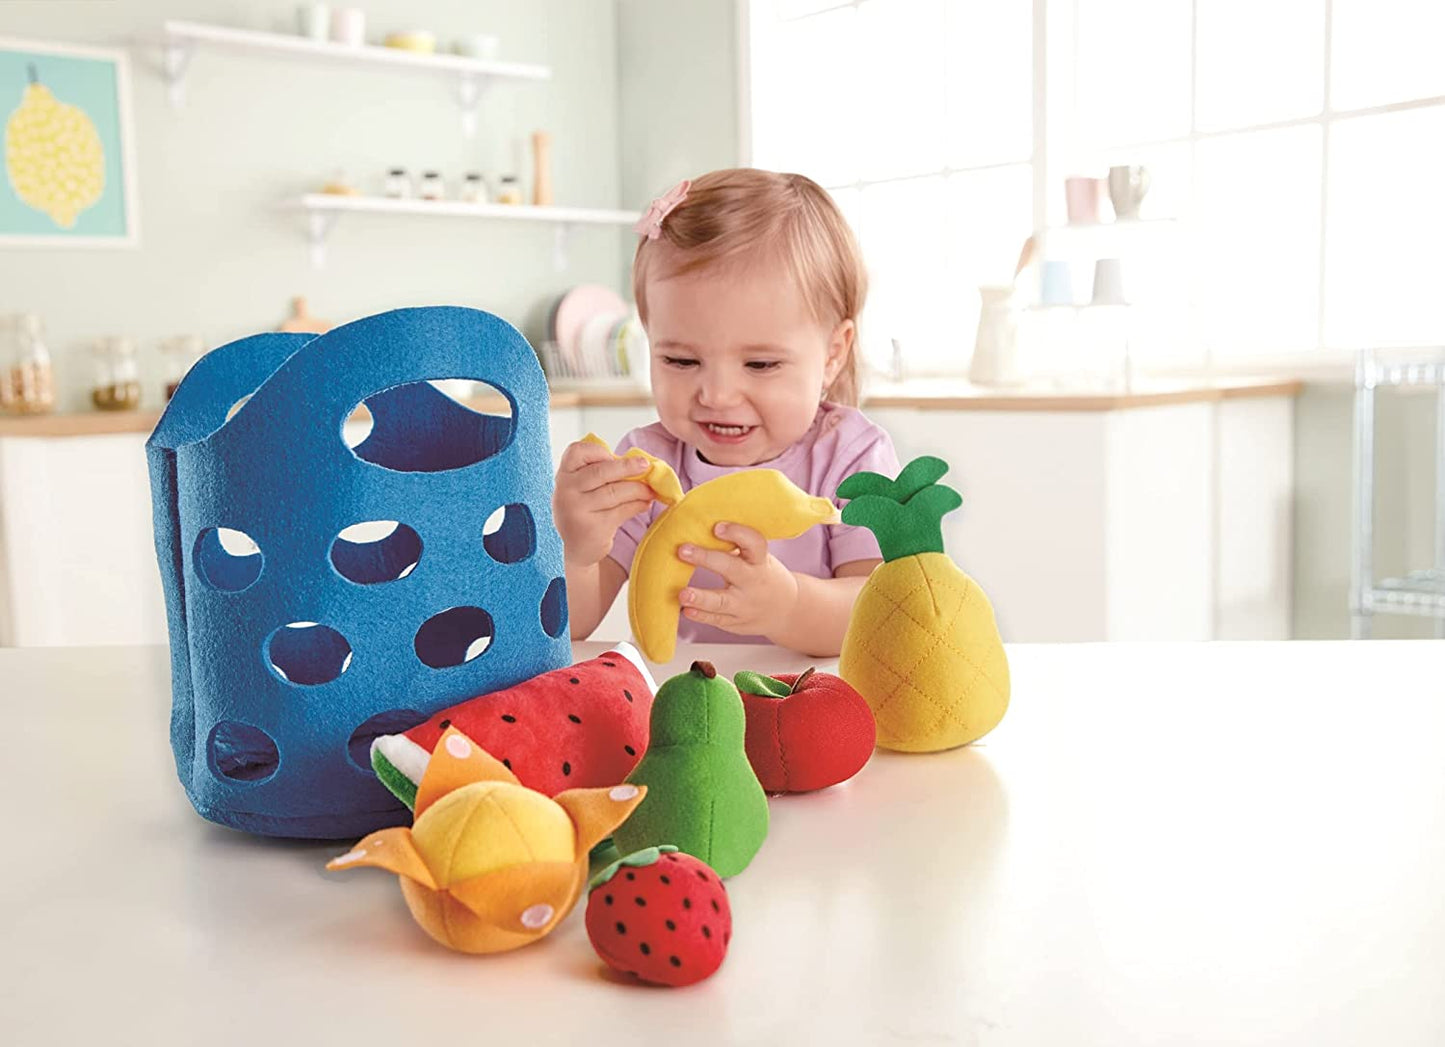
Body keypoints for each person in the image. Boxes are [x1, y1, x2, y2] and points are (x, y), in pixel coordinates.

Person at [552, 168, 899, 657]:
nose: (715, 394)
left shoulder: (851, 457)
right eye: (680, 360)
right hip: (684, 704)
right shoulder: (647, 462)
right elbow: (573, 626)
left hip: (816, 703)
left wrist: (790, 606)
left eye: (760, 364)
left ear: (833, 354)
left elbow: (883, 610)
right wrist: (577, 551)